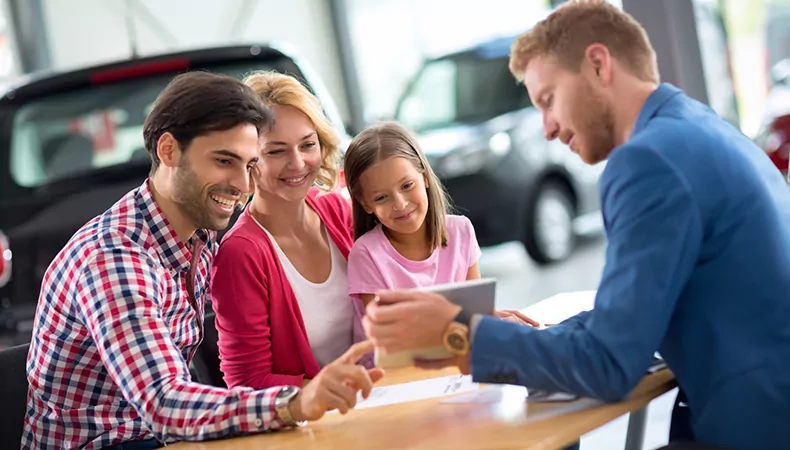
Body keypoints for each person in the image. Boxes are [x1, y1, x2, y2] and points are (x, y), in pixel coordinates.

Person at [362, 1, 790, 449]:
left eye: (548, 100)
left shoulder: (648, 162)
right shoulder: (699, 127)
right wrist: (529, 336)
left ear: (598, 64)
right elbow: (630, 314)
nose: (547, 128)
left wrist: (458, 332)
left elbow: (608, 364)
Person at [22, 71, 383, 449]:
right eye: (224, 161)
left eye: (248, 165)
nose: (243, 186)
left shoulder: (199, 235)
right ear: (168, 151)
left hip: (165, 438)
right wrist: (296, 402)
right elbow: (165, 403)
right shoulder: (115, 259)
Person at [210, 71, 373, 391]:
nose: (298, 163)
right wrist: (323, 391)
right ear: (247, 160)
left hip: (378, 396)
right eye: (276, 151)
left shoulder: (336, 210)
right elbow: (247, 381)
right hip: (313, 422)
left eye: (307, 144)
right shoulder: (241, 253)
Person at [342, 122, 483, 302]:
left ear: (424, 178)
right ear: (365, 204)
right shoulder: (366, 254)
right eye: (381, 197)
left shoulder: (461, 230)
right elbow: (386, 330)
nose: (400, 204)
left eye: (407, 185)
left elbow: (476, 312)